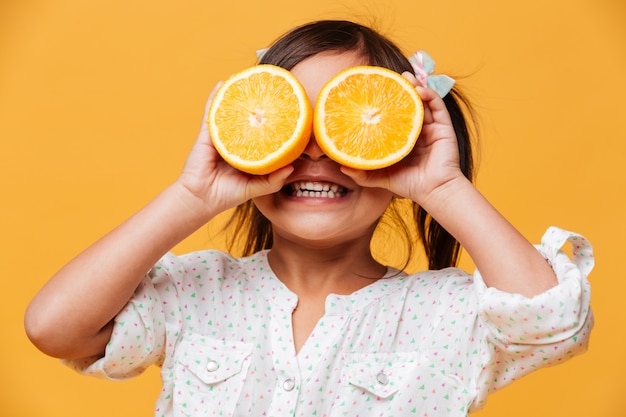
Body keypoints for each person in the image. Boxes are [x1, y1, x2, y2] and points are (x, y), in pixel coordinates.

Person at [24, 20, 594, 417]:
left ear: (402, 148)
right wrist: (192, 196)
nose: (317, 152)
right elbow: (54, 328)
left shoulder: (446, 313)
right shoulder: (195, 293)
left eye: (347, 126)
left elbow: (553, 321)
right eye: (294, 124)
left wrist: (442, 186)